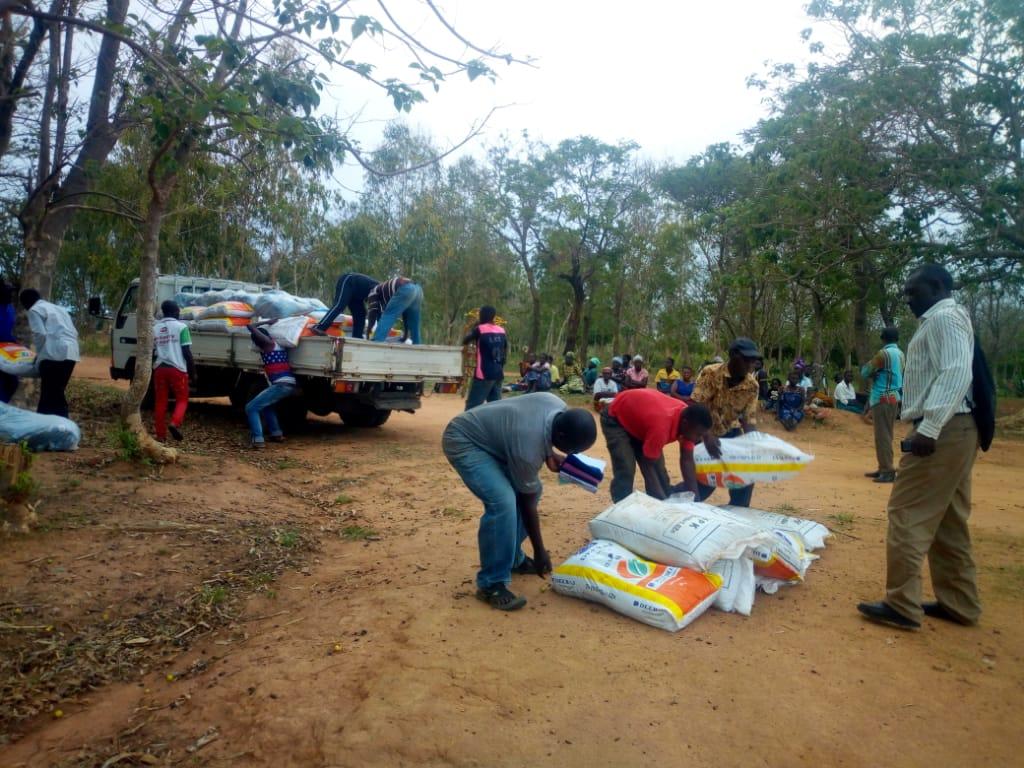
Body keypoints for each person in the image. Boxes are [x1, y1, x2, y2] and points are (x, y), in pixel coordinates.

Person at [857, 264, 981, 631]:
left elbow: (957, 371)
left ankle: (902, 604)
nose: (909, 299)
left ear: (939, 286)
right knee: (948, 519)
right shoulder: (946, 318)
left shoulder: (944, 318)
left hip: (943, 428)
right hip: (958, 427)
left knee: (905, 511)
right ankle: (960, 602)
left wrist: (929, 428)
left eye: (915, 292)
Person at [442, 393, 597, 611]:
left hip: (497, 441)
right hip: (465, 440)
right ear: (560, 435)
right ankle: (491, 583)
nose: (571, 455)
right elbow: (527, 503)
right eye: (571, 449)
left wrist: (547, 453)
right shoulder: (527, 450)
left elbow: (532, 429)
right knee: (503, 502)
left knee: (532, 490)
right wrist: (540, 550)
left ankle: (513, 558)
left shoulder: (556, 406)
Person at [601, 387, 713, 502]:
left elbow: (687, 461)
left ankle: (658, 501)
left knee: (661, 476)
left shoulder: (689, 423)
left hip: (643, 424)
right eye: (698, 434)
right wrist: (663, 503)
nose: (699, 439)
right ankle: (621, 506)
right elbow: (647, 466)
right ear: (685, 424)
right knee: (626, 468)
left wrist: (695, 499)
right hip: (617, 418)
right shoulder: (662, 427)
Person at [691, 337, 761, 506]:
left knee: (745, 477)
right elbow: (695, 405)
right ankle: (673, 506)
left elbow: (748, 418)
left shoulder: (752, 386)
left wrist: (753, 443)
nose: (750, 365)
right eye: (746, 360)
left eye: (753, 361)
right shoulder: (710, 373)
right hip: (703, 433)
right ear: (733, 355)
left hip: (731, 432)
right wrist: (706, 436)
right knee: (706, 483)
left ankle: (738, 511)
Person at [20, 289, 80, 417]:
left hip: (54, 355)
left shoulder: (34, 310)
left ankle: (51, 427)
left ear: (26, 303)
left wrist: (39, 356)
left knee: (50, 396)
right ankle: (58, 425)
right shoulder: (59, 309)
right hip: (71, 353)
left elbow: (40, 334)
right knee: (56, 393)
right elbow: (73, 331)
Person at [861, 327, 905, 483]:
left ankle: (887, 470)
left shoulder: (883, 354)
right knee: (886, 434)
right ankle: (883, 467)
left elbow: (865, 371)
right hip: (894, 397)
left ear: (883, 338)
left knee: (883, 436)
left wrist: (873, 372)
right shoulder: (900, 354)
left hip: (883, 397)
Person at [245, 320, 297, 448]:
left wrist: (267, 322)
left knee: (251, 408)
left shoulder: (269, 344)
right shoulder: (274, 346)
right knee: (266, 406)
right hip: (287, 384)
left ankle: (258, 440)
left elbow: (250, 327)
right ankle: (276, 433)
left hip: (281, 384)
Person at [152, 300, 196, 441]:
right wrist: (193, 372)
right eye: (178, 311)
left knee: (160, 402)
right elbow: (186, 352)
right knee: (182, 399)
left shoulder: (155, 328)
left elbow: (152, 351)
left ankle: (160, 435)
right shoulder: (182, 327)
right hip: (177, 369)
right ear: (175, 312)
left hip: (159, 369)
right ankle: (174, 423)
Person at [463, 306, 507, 410]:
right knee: (495, 406)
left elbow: (465, 340)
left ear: (482, 315)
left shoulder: (480, 329)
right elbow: (505, 351)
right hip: (498, 374)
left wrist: (476, 327)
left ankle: (468, 426)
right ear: (493, 316)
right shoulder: (502, 330)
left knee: (472, 406)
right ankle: (496, 425)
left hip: (483, 374)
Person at [310, 272, 379, 337]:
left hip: (358, 295)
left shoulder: (382, 299)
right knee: (339, 305)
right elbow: (374, 313)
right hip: (348, 281)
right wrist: (371, 330)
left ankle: (357, 337)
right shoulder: (380, 290)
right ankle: (320, 327)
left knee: (361, 314)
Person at [367, 276, 423, 344]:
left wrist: (369, 330)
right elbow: (406, 317)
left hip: (406, 288)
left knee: (388, 314)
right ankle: (417, 346)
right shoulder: (386, 292)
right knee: (414, 322)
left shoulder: (373, 291)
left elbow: (372, 313)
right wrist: (405, 336)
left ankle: (377, 341)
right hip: (418, 290)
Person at [0, 280, 18, 402]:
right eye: (8, 292)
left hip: (7, 350)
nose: (11, 295)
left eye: (12, 292)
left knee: (12, 384)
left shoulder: (11, 308)